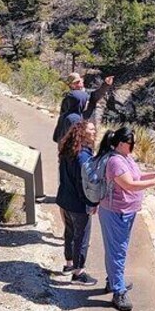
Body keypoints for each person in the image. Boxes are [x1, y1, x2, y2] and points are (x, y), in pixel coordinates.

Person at [97, 126, 155, 311]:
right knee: (117, 251)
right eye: (131, 143)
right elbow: (130, 185)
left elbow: (136, 177)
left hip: (125, 212)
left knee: (118, 249)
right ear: (121, 144)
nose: (134, 146)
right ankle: (118, 291)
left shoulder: (125, 158)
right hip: (116, 212)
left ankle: (113, 281)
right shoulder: (115, 162)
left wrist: (154, 174)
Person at [56, 120, 98, 285]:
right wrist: (91, 202)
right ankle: (79, 273)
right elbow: (84, 183)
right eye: (91, 129)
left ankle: (69, 264)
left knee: (70, 232)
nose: (94, 131)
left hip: (65, 199)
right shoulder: (83, 156)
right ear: (82, 132)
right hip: (78, 204)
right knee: (82, 237)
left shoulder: (68, 150)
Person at [52, 72, 114, 144]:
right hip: (70, 133)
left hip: (87, 132)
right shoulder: (69, 98)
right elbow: (63, 116)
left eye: (79, 81)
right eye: (75, 83)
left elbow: (98, 93)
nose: (78, 84)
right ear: (70, 85)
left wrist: (106, 85)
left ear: (82, 80)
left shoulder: (89, 95)